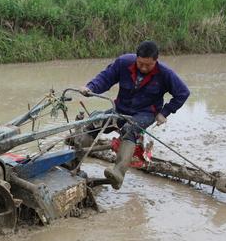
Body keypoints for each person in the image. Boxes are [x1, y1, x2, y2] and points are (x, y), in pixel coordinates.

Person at [80, 40, 190, 190]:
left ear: (155, 61)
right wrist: (90, 87)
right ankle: (75, 164)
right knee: (93, 125)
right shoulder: (123, 63)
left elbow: (183, 93)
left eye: (148, 65)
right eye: (140, 64)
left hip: (145, 113)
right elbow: (106, 78)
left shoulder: (165, 74)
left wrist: (165, 112)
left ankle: (118, 173)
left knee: (129, 130)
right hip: (120, 109)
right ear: (136, 58)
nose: (144, 68)